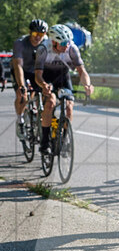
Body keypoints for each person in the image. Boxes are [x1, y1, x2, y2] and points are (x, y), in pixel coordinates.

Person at [34, 24, 93, 155]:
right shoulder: (43, 49)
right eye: (63, 43)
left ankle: (63, 140)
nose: (66, 46)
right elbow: (37, 75)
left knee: (69, 108)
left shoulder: (72, 48)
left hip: (63, 77)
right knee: (50, 103)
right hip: (46, 78)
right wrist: (44, 85)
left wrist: (87, 85)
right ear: (53, 42)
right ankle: (44, 142)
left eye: (68, 42)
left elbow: (82, 71)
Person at [12, 18, 49, 139]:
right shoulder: (20, 43)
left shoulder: (47, 43)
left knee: (42, 92)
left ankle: (36, 114)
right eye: (34, 34)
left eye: (41, 34)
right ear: (29, 32)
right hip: (21, 70)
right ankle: (20, 119)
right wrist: (21, 85)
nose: (38, 37)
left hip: (36, 71)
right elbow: (18, 66)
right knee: (22, 95)